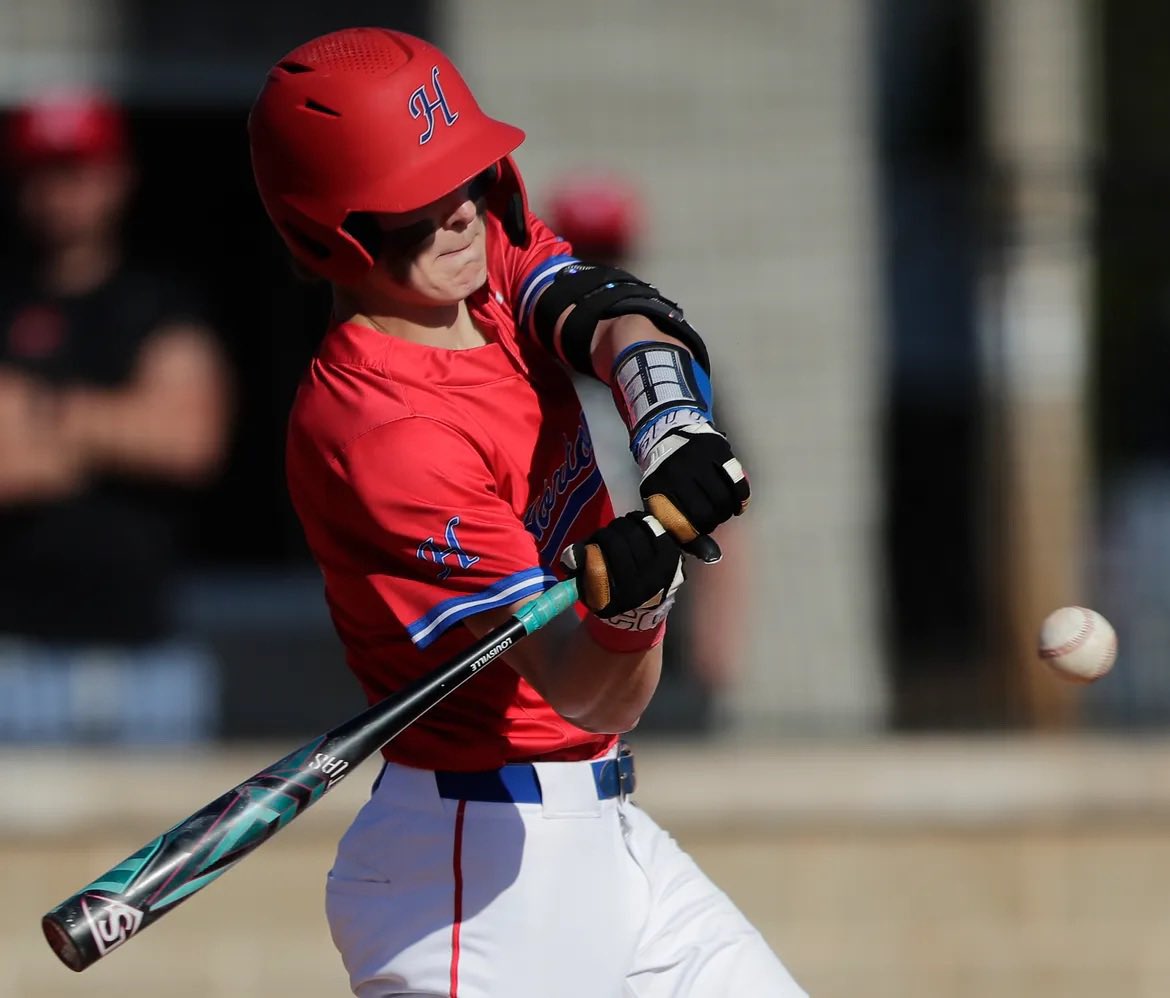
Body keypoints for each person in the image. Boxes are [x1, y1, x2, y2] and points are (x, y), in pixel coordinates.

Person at [249, 28, 803, 997]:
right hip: (481, 881)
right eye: (417, 199)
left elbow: (612, 312)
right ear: (333, 232)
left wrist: (668, 422)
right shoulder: (383, 433)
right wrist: (639, 602)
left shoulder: (475, 267)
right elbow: (588, 690)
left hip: (605, 833)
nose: (460, 212)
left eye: (463, 175)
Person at [0, 91, 231, 742]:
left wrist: (41, 412)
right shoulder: (7, 301)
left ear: (118, 178)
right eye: (43, 173)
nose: (61, 194)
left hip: (148, 652)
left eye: (77, 172)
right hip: (15, 654)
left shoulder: (160, 301)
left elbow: (188, 440)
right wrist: (125, 425)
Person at [546, 173, 752, 733]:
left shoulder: (662, 374)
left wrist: (716, 653)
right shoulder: (527, 374)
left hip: (655, 627)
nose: (599, 268)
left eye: (609, 253)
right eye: (583, 255)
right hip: (553, 622)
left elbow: (726, 515)